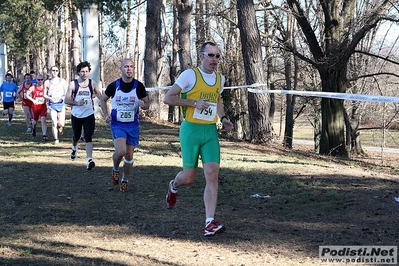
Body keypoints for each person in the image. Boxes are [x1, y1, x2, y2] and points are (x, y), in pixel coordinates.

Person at [163, 41, 234, 237]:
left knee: (212, 175)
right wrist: (194, 103)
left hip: (209, 132)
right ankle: (173, 186)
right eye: (211, 55)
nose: (215, 60)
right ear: (201, 56)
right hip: (191, 131)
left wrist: (224, 118)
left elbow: (218, 100)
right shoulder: (189, 75)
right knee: (189, 178)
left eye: (218, 56)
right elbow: (168, 98)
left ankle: (209, 222)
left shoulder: (221, 79)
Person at [100, 58, 149, 192]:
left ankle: (124, 180)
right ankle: (115, 169)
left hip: (133, 125)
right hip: (117, 124)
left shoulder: (139, 86)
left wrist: (144, 106)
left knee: (129, 156)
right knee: (121, 151)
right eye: (126, 66)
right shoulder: (114, 86)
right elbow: (102, 100)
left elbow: (147, 103)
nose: (129, 69)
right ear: (121, 69)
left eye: (131, 67)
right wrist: (106, 114)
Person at [65, 61, 102, 170]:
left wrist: (103, 100)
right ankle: (74, 148)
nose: (85, 73)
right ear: (78, 72)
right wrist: (76, 103)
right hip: (76, 115)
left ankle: (89, 160)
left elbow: (100, 95)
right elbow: (66, 100)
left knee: (88, 136)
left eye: (86, 71)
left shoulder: (92, 83)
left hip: (89, 114)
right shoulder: (73, 84)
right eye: (82, 71)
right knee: (76, 136)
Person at [44, 66, 67, 145]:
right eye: (53, 70)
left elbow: (67, 92)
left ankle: (60, 127)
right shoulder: (47, 82)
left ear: (58, 72)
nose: (55, 72)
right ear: (50, 71)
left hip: (61, 104)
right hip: (52, 104)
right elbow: (44, 95)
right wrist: (50, 98)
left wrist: (63, 97)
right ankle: (56, 139)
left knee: (61, 123)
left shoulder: (62, 81)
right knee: (54, 121)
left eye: (56, 70)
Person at [25, 74, 48, 141]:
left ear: (43, 80)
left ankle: (44, 135)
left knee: (43, 120)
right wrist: (33, 100)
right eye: (38, 80)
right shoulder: (33, 87)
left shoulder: (45, 87)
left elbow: (50, 94)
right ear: (36, 80)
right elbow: (27, 95)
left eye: (41, 80)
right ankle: (34, 128)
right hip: (35, 107)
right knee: (35, 122)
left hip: (43, 107)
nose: (40, 81)